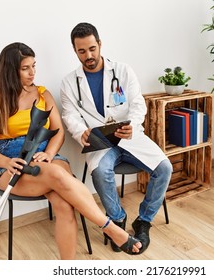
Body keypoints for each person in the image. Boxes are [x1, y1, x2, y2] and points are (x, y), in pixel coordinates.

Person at [0, 42, 142, 259]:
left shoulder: (43, 94)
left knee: (64, 204)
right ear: (9, 70)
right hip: (12, 166)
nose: (32, 72)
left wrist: (49, 154)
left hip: (47, 154)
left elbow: (58, 132)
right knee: (58, 175)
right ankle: (110, 228)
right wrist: (6, 162)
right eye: (25, 68)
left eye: (34, 66)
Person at [60, 22, 173, 254]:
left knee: (165, 168)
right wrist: (79, 130)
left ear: (100, 44)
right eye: (81, 51)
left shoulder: (122, 71)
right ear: (75, 51)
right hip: (100, 142)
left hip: (129, 135)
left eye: (92, 48)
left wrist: (132, 125)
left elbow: (138, 103)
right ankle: (117, 220)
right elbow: (69, 114)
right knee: (101, 171)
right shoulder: (69, 82)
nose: (88, 55)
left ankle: (143, 221)